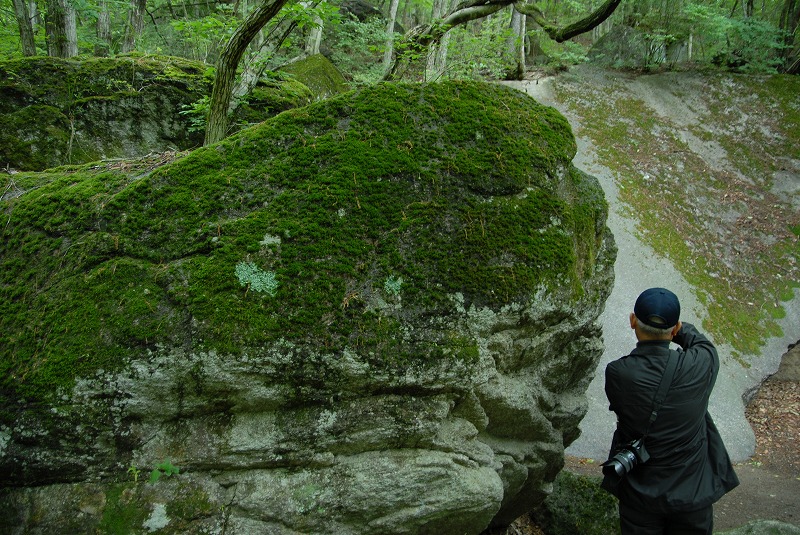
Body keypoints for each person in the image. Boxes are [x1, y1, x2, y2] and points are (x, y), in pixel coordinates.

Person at [601, 287, 739, 535]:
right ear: (675, 329)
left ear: (633, 321)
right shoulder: (700, 363)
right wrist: (677, 329)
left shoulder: (618, 373)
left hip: (640, 493)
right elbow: (700, 342)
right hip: (693, 493)